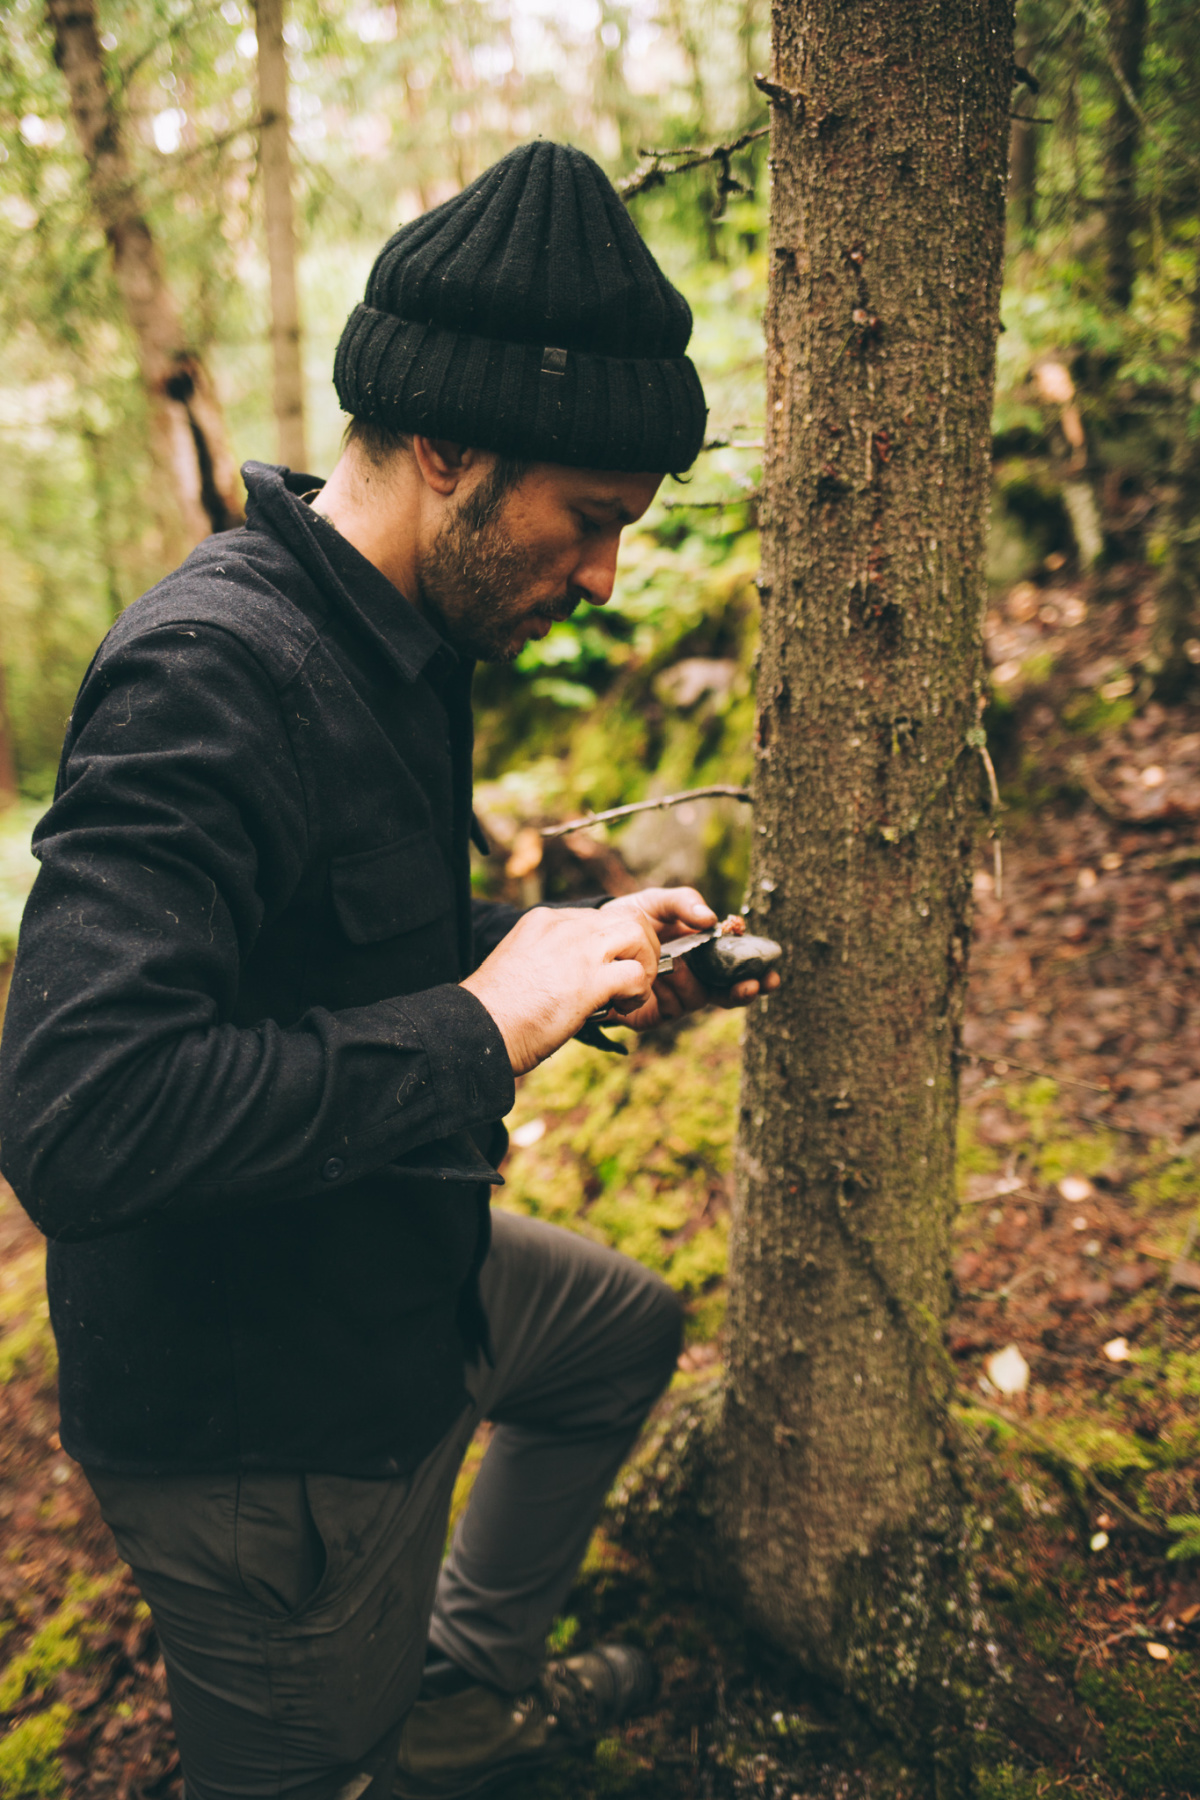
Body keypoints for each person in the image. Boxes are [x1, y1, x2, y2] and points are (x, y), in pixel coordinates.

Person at [0, 141, 777, 1800]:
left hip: (387, 1263)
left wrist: (584, 957)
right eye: (587, 522)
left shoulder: (401, 643)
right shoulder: (210, 673)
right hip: (257, 1417)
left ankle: (459, 1716)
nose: (602, 578)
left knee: (613, 1332)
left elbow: (358, 970)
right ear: (446, 449)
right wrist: (493, 1022)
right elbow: (81, 1120)